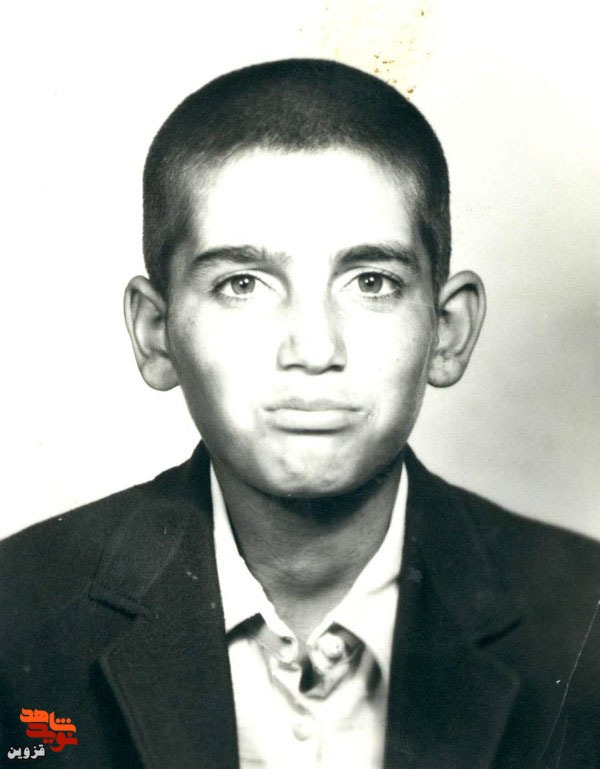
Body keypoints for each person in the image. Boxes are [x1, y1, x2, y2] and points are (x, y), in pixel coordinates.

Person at [1, 59, 599, 769]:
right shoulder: (17, 617)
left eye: (371, 281)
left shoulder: (584, 621)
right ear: (156, 334)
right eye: (242, 284)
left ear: (448, 330)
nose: (314, 350)